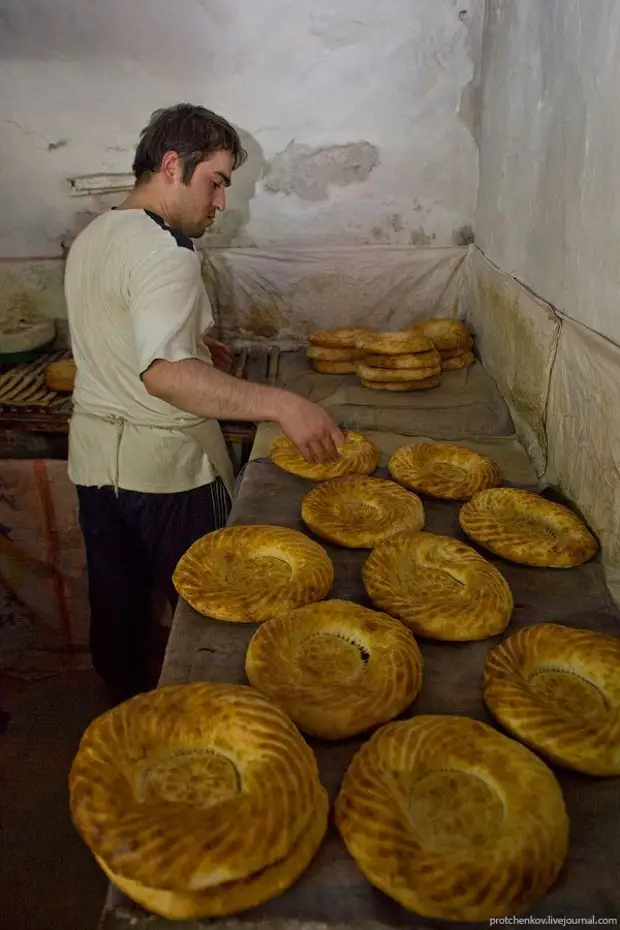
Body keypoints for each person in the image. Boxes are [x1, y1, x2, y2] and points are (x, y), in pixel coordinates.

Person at [64, 103, 344, 705]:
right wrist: (282, 404)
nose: (220, 203)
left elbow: (119, 337)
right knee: (216, 613)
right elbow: (164, 376)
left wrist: (193, 344)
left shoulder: (95, 234)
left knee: (118, 608)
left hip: (95, 467)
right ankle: (219, 718)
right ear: (172, 166)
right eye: (215, 182)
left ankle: (128, 717)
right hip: (167, 475)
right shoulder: (168, 251)